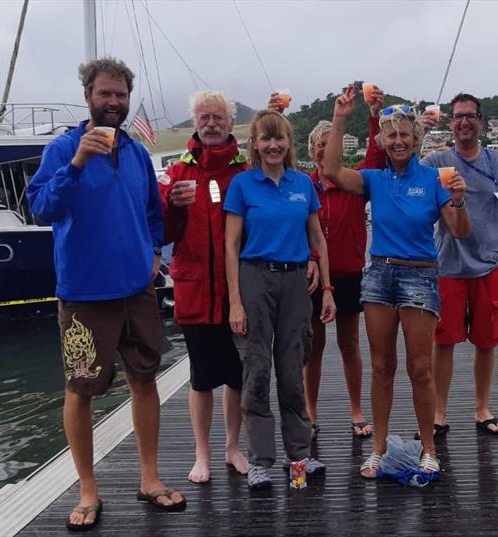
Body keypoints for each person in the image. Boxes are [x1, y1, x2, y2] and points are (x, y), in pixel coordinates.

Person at [27, 57, 184, 532]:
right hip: (84, 294)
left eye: (120, 95)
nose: (114, 102)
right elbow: (39, 208)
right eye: (105, 94)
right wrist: (77, 164)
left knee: (145, 379)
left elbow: (153, 213)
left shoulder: (137, 154)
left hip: (137, 290)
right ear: (88, 96)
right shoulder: (62, 148)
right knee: (80, 391)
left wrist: (155, 251)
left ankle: (150, 478)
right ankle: (88, 488)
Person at [322, 85, 470, 479]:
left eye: (405, 134)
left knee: (420, 368)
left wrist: (458, 200)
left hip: (420, 274)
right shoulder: (374, 179)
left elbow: (459, 231)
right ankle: (379, 446)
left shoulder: (436, 178)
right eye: (392, 135)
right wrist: (339, 120)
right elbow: (332, 171)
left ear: (417, 139)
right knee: (382, 366)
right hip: (379, 274)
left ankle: (429, 447)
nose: (399, 140)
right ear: (382, 141)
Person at [224, 110, 337, 489]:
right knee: (256, 371)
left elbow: (317, 238)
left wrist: (327, 288)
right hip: (255, 277)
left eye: (280, 138)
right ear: (254, 144)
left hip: (294, 281)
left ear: (289, 143)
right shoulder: (242, 185)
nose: (273, 145)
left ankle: (300, 455)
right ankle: (260, 460)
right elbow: (231, 244)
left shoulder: (302, 184)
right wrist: (235, 302)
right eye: (265, 139)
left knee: (292, 372)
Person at [268, 86, 388, 440]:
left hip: (349, 273)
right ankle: (310, 411)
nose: (323, 148)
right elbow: (273, 157)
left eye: (328, 142)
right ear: (311, 149)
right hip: (311, 276)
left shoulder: (354, 182)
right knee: (312, 346)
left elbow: (376, 158)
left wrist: (373, 115)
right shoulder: (302, 184)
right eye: (319, 144)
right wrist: (276, 114)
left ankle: (356, 410)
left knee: (350, 345)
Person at [159, 90, 250, 484]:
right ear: (194, 123)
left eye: (218, 117)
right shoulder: (178, 172)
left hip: (239, 292)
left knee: (237, 376)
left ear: (230, 124)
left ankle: (232, 446)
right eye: (203, 117)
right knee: (200, 377)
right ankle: (202, 453)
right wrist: (171, 207)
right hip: (195, 289)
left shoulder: (246, 171)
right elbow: (162, 232)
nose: (211, 123)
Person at [421, 92, 498, 438]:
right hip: (447, 266)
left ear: (481, 121)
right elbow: (414, 198)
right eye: (458, 116)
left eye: (470, 116)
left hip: (489, 267)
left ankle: (482, 408)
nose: (464, 122)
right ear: (450, 123)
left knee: (486, 341)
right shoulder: (436, 163)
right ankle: (438, 414)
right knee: (444, 341)